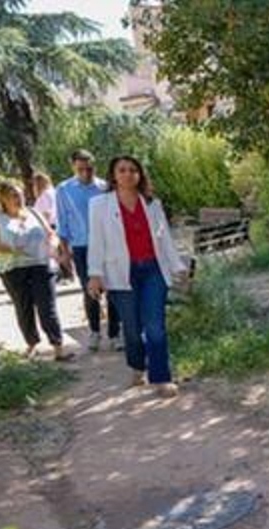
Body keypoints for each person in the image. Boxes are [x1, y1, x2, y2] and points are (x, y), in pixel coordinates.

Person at [87, 155, 186, 397]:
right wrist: (95, 274)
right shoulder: (99, 205)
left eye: (133, 170)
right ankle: (137, 365)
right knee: (131, 328)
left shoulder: (152, 203)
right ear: (113, 175)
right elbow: (96, 242)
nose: (128, 174)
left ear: (139, 175)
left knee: (155, 327)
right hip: (121, 273)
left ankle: (161, 377)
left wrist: (178, 267)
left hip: (153, 270)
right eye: (122, 170)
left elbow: (165, 240)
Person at [0, 179, 73, 362]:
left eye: (21, 195)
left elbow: (51, 234)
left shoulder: (33, 212)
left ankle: (58, 347)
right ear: (3, 199)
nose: (19, 199)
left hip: (41, 265)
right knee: (24, 307)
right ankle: (32, 344)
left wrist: (53, 245)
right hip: (13, 268)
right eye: (14, 196)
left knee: (47, 306)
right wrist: (11, 249)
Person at [55, 149, 119, 351]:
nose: (85, 173)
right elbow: (62, 222)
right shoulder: (64, 189)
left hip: (107, 244)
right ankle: (94, 331)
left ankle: (115, 333)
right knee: (90, 290)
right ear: (73, 167)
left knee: (112, 288)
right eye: (81, 169)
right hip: (82, 246)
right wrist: (64, 252)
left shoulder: (104, 187)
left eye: (89, 168)